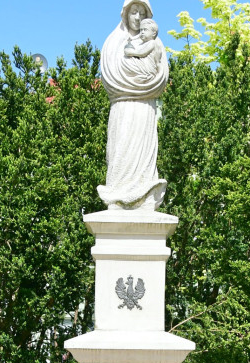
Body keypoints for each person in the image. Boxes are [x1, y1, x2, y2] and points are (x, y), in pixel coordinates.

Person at [97, 0, 169, 211]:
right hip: (122, 107)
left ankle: (143, 195)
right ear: (125, 14)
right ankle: (118, 196)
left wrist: (137, 77)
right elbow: (111, 77)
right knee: (120, 150)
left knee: (143, 151)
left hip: (145, 108)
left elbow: (160, 77)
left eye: (141, 13)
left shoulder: (156, 43)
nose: (137, 17)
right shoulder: (113, 43)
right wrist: (137, 78)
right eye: (133, 12)